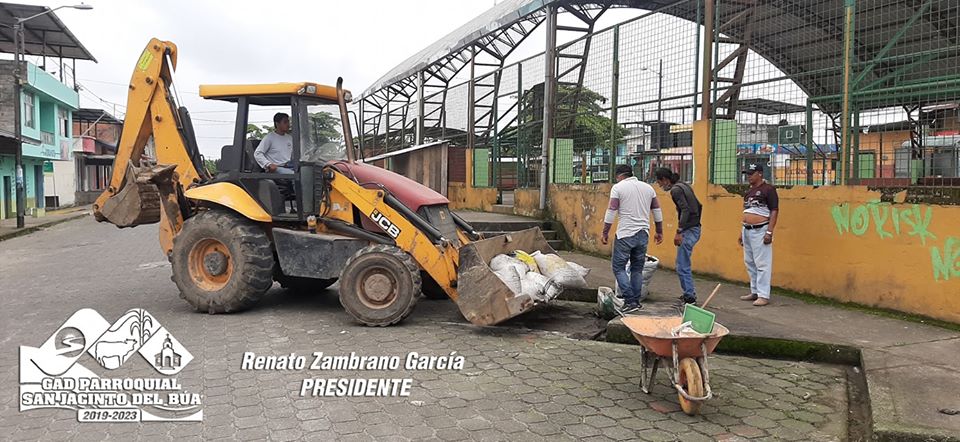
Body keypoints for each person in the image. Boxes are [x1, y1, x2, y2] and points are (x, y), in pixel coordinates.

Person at [602, 164, 663, 314]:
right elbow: (657, 210)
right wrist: (659, 231)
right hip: (643, 233)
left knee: (618, 268)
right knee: (637, 269)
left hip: (625, 233)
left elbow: (611, 211)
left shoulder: (618, 188)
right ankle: (635, 301)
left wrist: (605, 232)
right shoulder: (648, 188)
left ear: (619, 176)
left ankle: (630, 300)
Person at [654, 168, 702, 305]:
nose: (660, 186)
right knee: (683, 263)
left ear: (665, 180)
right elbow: (699, 206)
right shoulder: (684, 185)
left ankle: (689, 297)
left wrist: (679, 231)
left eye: (659, 182)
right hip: (694, 227)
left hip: (688, 229)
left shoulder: (676, 190)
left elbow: (685, 209)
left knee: (682, 265)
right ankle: (688, 293)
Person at [738, 163, 779, 306]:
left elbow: (774, 211)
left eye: (751, 174)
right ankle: (754, 291)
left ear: (760, 173)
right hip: (747, 230)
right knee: (749, 262)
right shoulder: (749, 192)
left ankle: (763, 295)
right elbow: (746, 212)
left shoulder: (769, 190)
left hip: (760, 230)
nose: (749, 177)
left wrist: (769, 231)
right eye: (747, 174)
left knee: (762, 263)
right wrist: (741, 232)